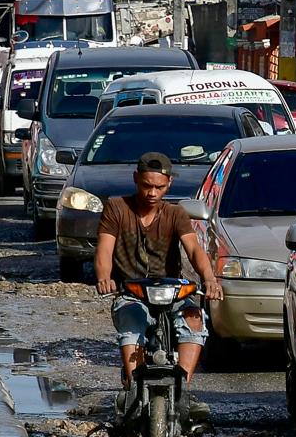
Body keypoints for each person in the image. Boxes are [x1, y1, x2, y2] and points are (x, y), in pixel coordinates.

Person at [93, 153, 226, 414]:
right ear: (136, 180)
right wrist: (104, 278)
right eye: (146, 185)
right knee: (131, 326)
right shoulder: (117, 208)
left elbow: (194, 250)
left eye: (159, 187)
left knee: (194, 321)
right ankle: (133, 389)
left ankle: (181, 391)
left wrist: (209, 279)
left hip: (172, 291)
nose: (152, 193)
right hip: (131, 292)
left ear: (169, 185)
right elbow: (104, 250)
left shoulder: (176, 214)